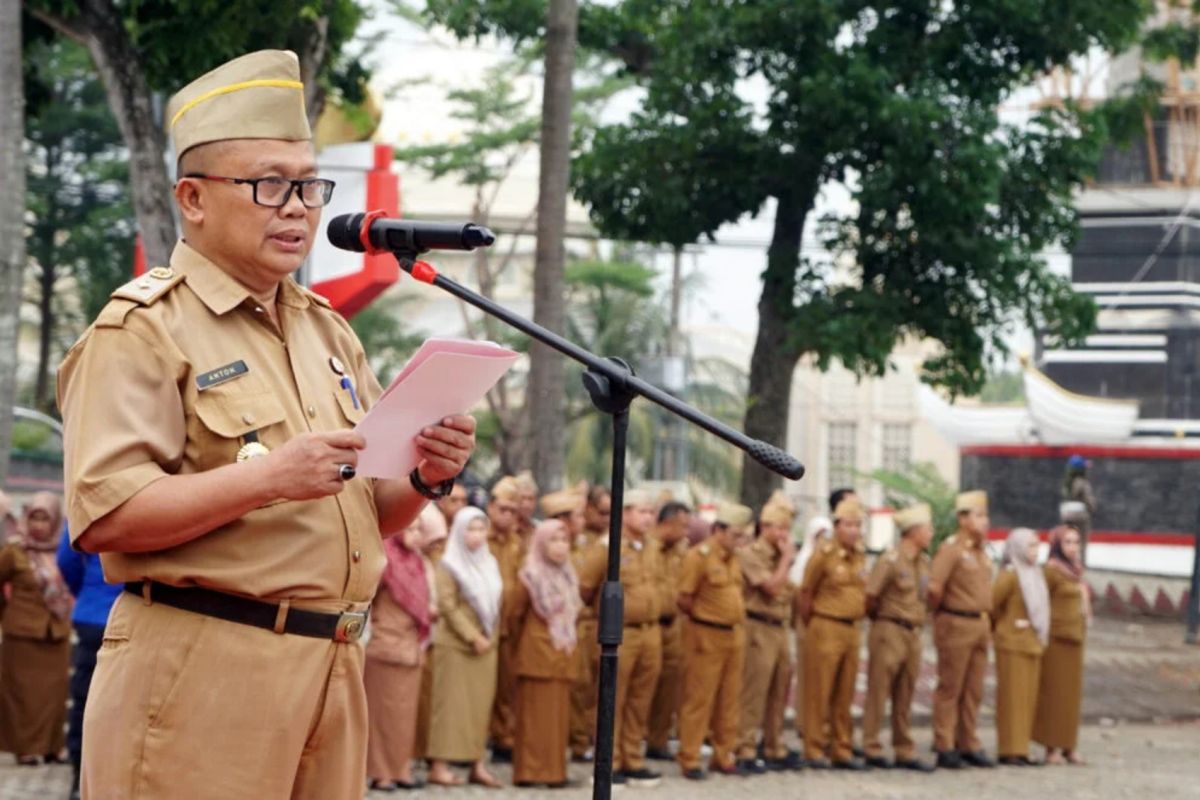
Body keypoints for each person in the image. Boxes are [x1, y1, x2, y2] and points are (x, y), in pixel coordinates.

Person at [56, 50, 476, 800]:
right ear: (191, 197)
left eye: (309, 186)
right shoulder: (143, 330)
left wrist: (425, 476)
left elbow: (366, 516)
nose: (298, 208)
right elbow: (105, 515)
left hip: (331, 669)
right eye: (269, 185)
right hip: (203, 671)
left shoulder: (327, 332)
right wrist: (267, 480)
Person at [577, 489, 663, 787]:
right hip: (619, 632)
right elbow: (586, 587)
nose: (648, 518)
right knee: (612, 698)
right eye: (642, 511)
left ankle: (632, 758)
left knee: (640, 700)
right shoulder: (608, 546)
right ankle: (608, 762)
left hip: (650, 631)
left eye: (651, 512)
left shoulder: (652, 546)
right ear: (625, 514)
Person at [427, 508, 503, 788]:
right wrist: (473, 637)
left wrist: (489, 637)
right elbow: (447, 605)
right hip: (457, 645)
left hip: (487, 646)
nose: (477, 535)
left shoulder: (490, 562)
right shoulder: (450, 564)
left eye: (482, 529)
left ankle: (477, 763)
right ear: (459, 531)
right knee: (450, 707)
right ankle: (439, 765)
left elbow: (495, 604)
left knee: (480, 708)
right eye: (471, 529)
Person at [676, 502, 751, 780]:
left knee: (729, 700)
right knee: (699, 699)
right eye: (734, 535)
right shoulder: (699, 556)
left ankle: (723, 754)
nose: (739, 541)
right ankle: (690, 756)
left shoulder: (733, 558)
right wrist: (702, 621)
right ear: (718, 530)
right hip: (706, 635)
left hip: (734, 635)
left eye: (742, 536)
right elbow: (684, 598)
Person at [861, 503, 936, 772]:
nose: (931, 533)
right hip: (889, 629)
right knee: (879, 690)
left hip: (914, 632)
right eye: (927, 528)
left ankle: (904, 748)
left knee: (905, 693)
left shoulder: (925, 563)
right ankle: (871, 746)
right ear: (912, 531)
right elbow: (870, 596)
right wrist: (881, 622)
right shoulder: (890, 560)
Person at [0, 493, 73, 766]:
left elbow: (74, 578)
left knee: (55, 694)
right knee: (22, 696)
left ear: (55, 521)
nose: (39, 525)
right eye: (34, 518)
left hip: (56, 632)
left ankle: (53, 748)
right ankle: (25, 749)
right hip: (21, 635)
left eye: (45, 519)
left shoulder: (64, 551)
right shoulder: (14, 551)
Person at [365, 514, 436, 791]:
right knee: (381, 714)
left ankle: (401, 769)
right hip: (384, 645)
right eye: (412, 526)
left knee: (405, 716)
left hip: (412, 649)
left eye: (421, 529)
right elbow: (367, 598)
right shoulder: (384, 560)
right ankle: (381, 773)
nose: (416, 533)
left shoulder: (418, 563)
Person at [798, 497, 868, 771]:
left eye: (858, 525)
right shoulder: (823, 553)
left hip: (852, 629)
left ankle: (842, 748)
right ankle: (814, 748)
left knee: (845, 692)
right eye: (849, 524)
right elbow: (806, 592)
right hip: (826, 626)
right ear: (837, 526)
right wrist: (812, 622)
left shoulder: (860, 554)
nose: (854, 530)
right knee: (820, 690)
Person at [928, 490, 995, 770]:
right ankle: (945, 744)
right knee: (951, 687)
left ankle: (968, 741)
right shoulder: (952, 548)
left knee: (974, 688)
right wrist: (941, 616)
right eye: (978, 516)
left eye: (984, 515)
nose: (985, 522)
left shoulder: (982, 552)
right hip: (955, 622)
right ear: (963, 519)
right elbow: (934, 587)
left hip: (980, 623)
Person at [512, 519, 581, 787]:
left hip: (562, 654)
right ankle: (529, 772)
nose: (561, 547)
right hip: (536, 655)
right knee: (534, 718)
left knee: (557, 720)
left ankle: (554, 772)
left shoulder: (569, 575)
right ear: (541, 543)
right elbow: (514, 616)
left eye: (565, 540)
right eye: (554, 540)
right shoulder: (530, 576)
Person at [57, 523, 122, 799]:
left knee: (84, 700)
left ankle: (78, 777)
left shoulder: (93, 494)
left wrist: (87, 590)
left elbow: (67, 559)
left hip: (93, 613)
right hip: (137, 613)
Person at [737, 492, 800, 773]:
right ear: (765, 527)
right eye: (779, 528)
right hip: (758, 626)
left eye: (787, 529)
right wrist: (787, 559)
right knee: (755, 689)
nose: (784, 534)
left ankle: (774, 745)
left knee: (779, 689)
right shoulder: (750, 554)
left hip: (780, 627)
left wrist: (785, 559)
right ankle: (745, 747)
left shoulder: (780, 556)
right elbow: (772, 588)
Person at [1033, 525, 1091, 766]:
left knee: (1071, 695)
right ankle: (1051, 747)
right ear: (1057, 545)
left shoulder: (1075, 572)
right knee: (1054, 693)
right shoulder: (1051, 571)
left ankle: (1069, 745)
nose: (1073, 547)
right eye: (1067, 542)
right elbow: (1039, 602)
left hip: (1075, 639)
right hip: (1056, 639)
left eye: (1076, 542)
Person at [992, 527, 1048, 767]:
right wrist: (1006, 627)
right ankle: (1010, 748)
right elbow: (992, 604)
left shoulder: (1034, 574)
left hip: (1032, 643)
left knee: (1026, 699)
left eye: (1037, 545)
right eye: (1030, 546)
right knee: (1012, 698)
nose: (1035, 551)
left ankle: (1022, 747)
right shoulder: (1010, 575)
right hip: (1012, 643)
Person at [646, 500, 693, 761]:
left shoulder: (682, 550)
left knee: (669, 687)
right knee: (640, 688)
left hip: (673, 625)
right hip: (649, 624)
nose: (686, 531)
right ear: (667, 523)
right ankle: (626, 746)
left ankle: (658, 740)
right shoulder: (647, 547)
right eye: (682, 525)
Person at [568, 484, 610, 762]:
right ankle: (578, 742)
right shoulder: (577, 540)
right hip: (580, 622)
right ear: (589, 509)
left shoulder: (612, 540)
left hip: (603, 622)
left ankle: (597, 740)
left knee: (602, 686)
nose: (607, 518)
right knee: (580, 686)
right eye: (603, 512)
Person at [486, 476, 525, 763]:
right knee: (482, 685)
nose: (507, 515)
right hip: (483, 624)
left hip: (512, 625)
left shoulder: (518, 543)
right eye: (503, 509)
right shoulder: (477, 537)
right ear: (490, 507)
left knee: (507, 686)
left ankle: (503, 737)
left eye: (513, 510)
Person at [789, 514, 831, 748]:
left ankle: (822, 727)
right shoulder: (804, 559)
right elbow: (802, 596)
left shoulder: (830, 558)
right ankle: (805, 724)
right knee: (807, 676)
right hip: (809, 624)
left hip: (828, 627)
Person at [414, 504, 449, 764]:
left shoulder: (433, 562)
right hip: (403, 640)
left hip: (431, 640)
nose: (436, 548)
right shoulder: (408, 563)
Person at [1061, 456, 1096, 558]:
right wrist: (1092, 507)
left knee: (1067, 538)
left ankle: (1066, 561)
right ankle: (1079, 565)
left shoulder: (1067, 483)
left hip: (1066, 514)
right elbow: (1088, 499)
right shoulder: (1082, 482)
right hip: (1081, 516)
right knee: (1081, 541)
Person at [514, 471, 540, 538]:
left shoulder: (538, 529)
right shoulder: (504, 528)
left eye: (530, 499)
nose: (527, 504)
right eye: (522, 498)